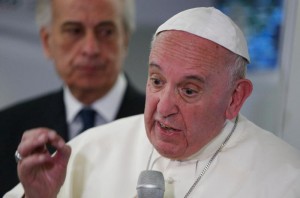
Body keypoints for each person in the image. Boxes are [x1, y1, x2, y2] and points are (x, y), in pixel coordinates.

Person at [5, 7, 300, 198]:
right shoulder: (90, 150)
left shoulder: (285, 179)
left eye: (189, 90)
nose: (163, 106)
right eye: (157, 81)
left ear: (235, 98)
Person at [0, 0, 145, 196]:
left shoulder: (161, 125)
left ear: (125, 39)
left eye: (106, 31)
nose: (90, 49)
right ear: (46, 41)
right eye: (74, 31)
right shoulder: (6, 128)